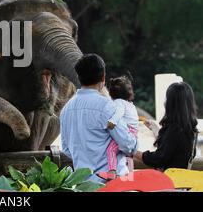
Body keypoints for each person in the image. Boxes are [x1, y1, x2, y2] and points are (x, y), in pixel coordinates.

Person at [60, 54, 137, 183]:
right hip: (112, 185)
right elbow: (126, 143)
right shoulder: (107, 106)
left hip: (83, 185)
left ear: (79, 77)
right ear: (103, 77)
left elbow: (67, 150)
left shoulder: (66, 110)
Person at [134, 82, 198, 170]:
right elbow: (171, 147)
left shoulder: (175, 130)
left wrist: (132, 151)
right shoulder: (190, 129)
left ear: (171, 104)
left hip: (172, 181)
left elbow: (158, 159)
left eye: (167, 98)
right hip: (182, 180)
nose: (164, 102)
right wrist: (155, 129)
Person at [105, 75, 139, 178]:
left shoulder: (118, 103)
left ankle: (111, 172)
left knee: (111, 150)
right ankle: (129, 175)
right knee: (126, 155)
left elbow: (119, 113)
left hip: (127, 132)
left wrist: (112, 122)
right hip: (134, 134)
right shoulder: (131, 105)